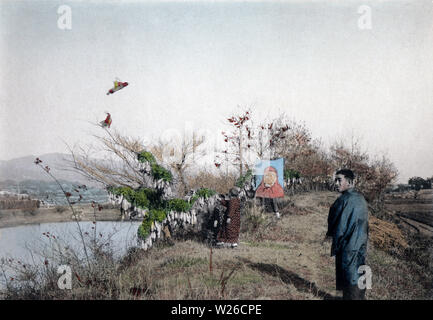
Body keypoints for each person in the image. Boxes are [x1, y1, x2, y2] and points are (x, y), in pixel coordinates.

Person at [325, 169, 369, 300]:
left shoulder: (343, 200)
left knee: (349, 275)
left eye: (339, 180)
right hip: (361, 243)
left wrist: (331, 237)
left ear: (349, 182)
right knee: (359, 272)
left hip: (347, 245)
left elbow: (336, 222)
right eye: (336, 180)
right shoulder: (361, 198)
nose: (336, 183)